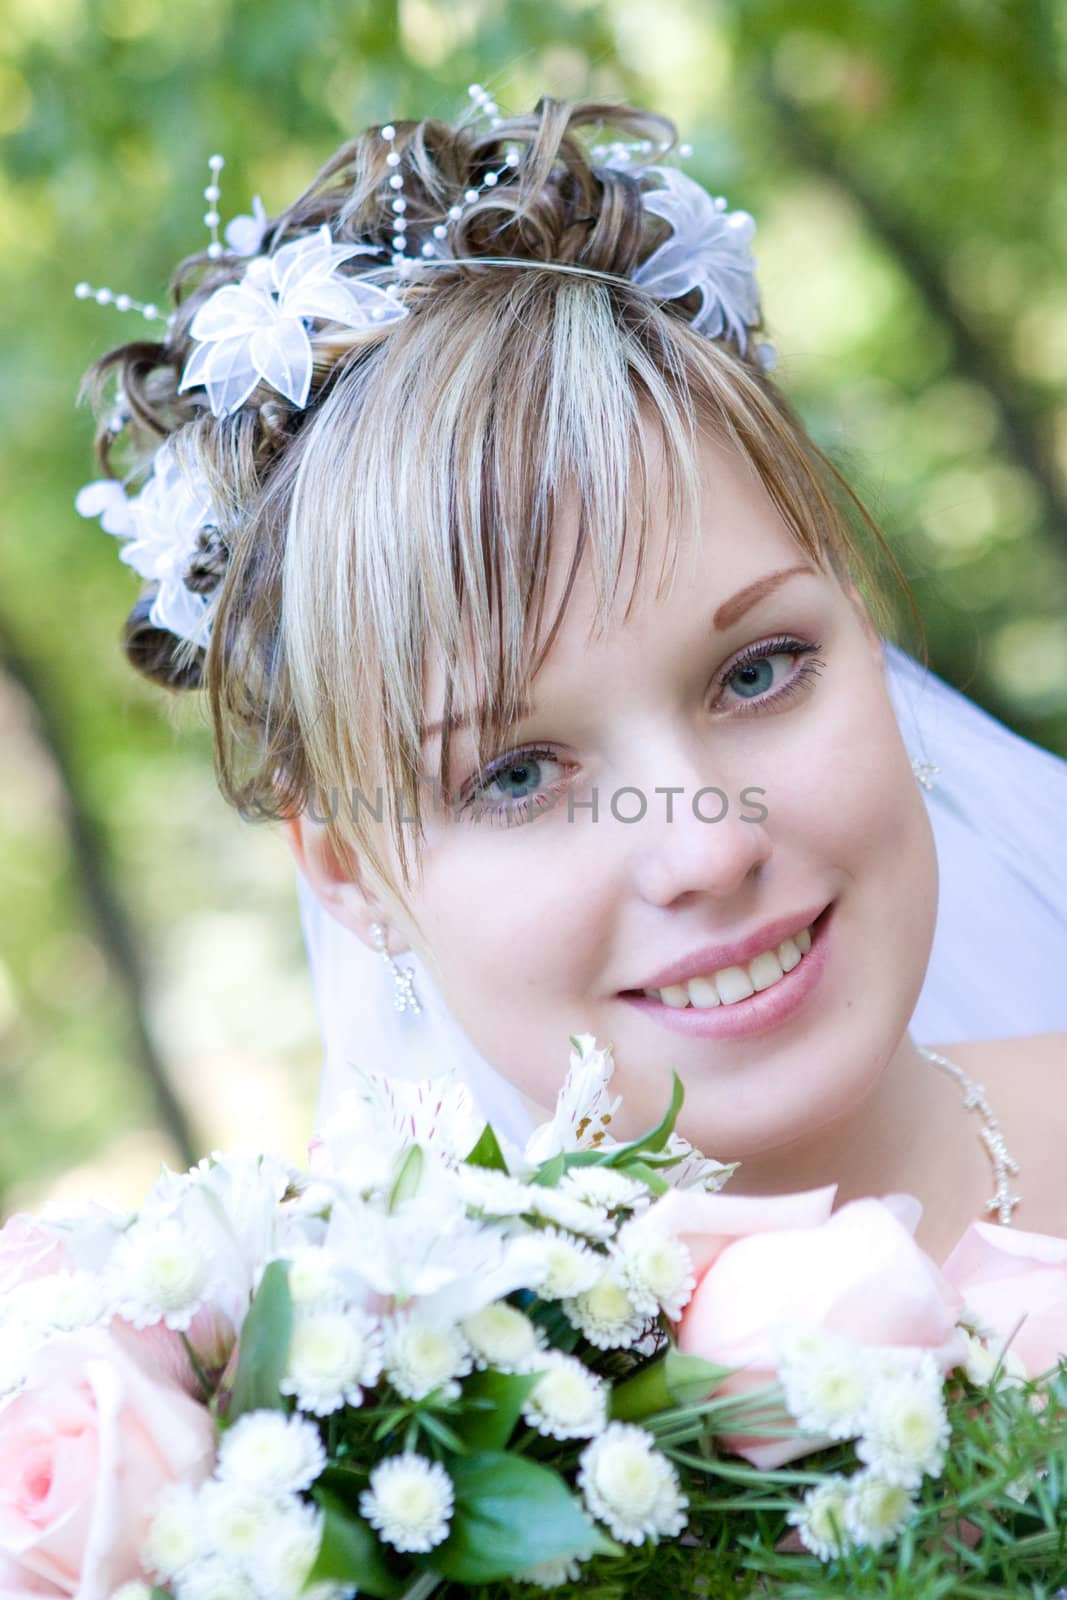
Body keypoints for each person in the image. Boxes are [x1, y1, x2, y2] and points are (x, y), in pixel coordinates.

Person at [76, 92, 1067, 1271]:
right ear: (349, 873)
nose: (704, 847)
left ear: (862, 633)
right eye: (514, 774)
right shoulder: (325, 1433)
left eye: (756, 671)